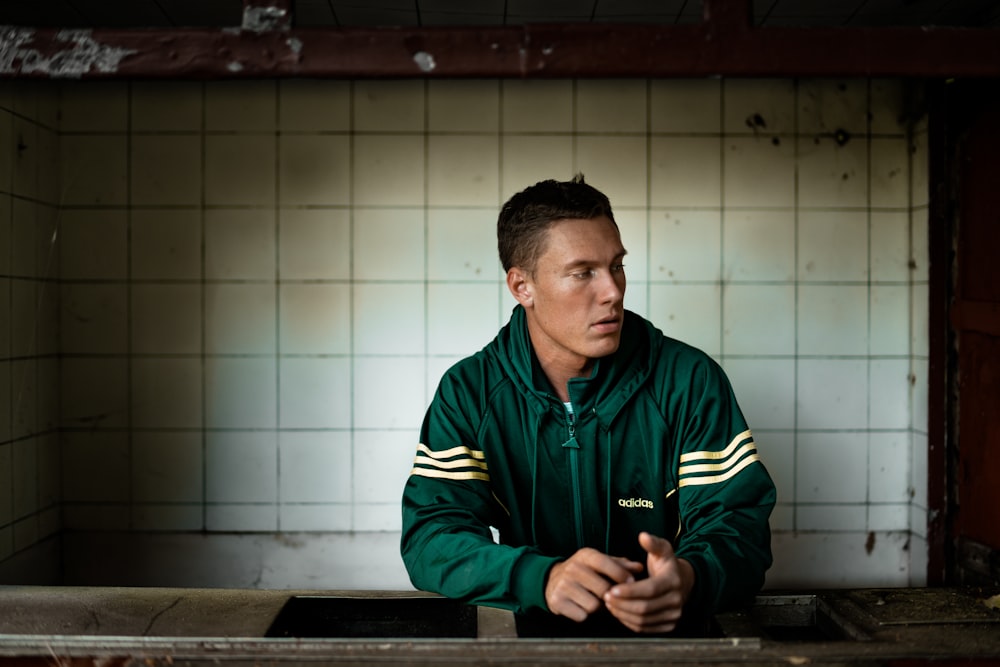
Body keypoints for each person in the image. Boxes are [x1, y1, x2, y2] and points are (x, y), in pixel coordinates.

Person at [400, 175, 776, 637]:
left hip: (672, 653)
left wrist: (689, 579)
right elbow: (431, 538)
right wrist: (540, 577)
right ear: (522, 286)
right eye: (583, 273)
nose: (613, 291)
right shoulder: (470, 392)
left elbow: (740, 528)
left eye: (616, 266)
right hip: (532, 652)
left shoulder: (689, 381)